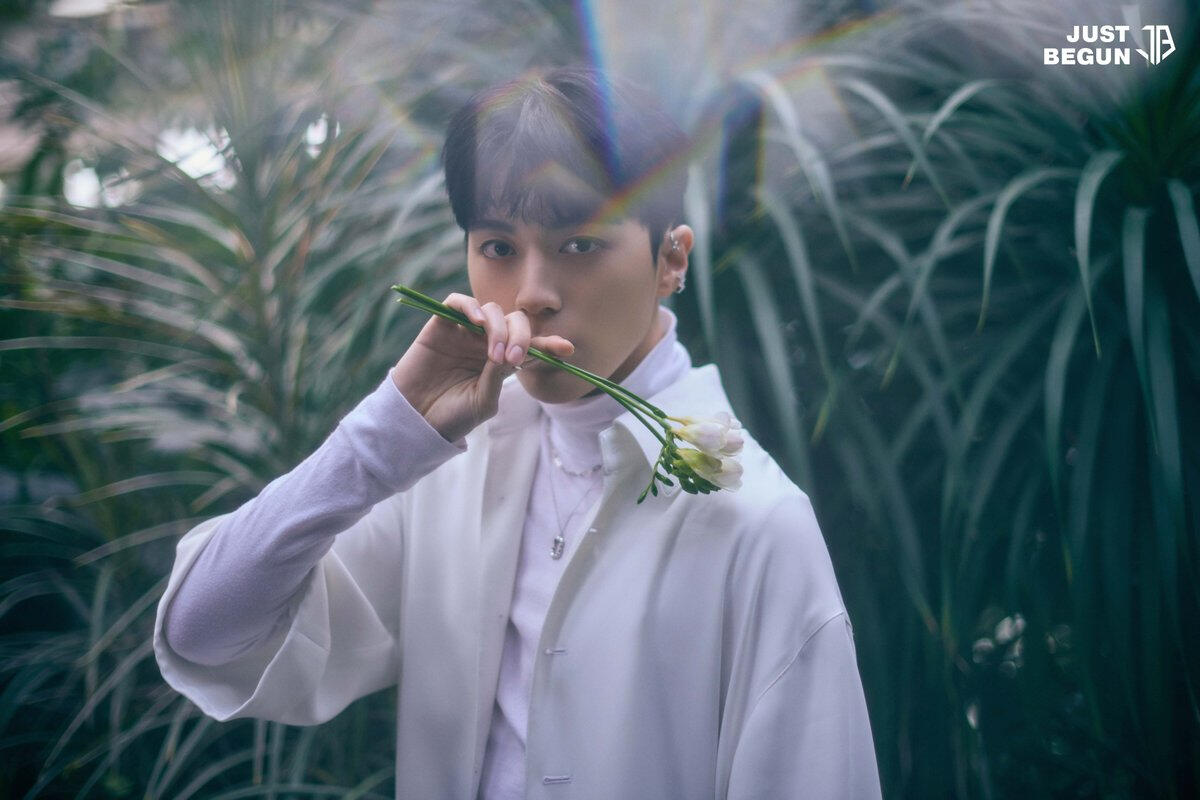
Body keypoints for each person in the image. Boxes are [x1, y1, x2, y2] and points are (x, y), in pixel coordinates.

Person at [153, 65, 882, 799]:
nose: (532, 294)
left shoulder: (756, 524)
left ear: (671, 258)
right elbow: (200, 633)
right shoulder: (448, 467)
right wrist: (384, 436)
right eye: (499, 247)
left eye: (580, 244)